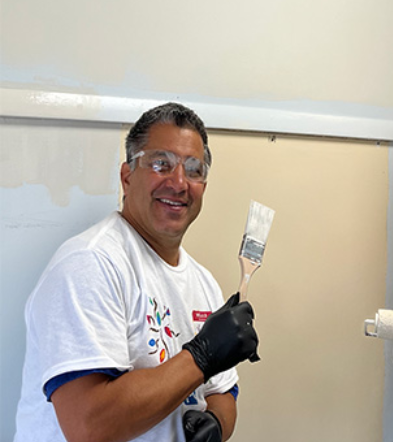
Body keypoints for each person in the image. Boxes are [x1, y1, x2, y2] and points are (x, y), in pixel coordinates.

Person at [14, 102, 259, 442]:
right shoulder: (90, 264)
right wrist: (201, 355)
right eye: (161, 164)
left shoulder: (203, 283)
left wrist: (216, 423)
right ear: (127, 177)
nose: (179, 182)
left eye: (194, 170)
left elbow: (222, 392)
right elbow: (89, 427)